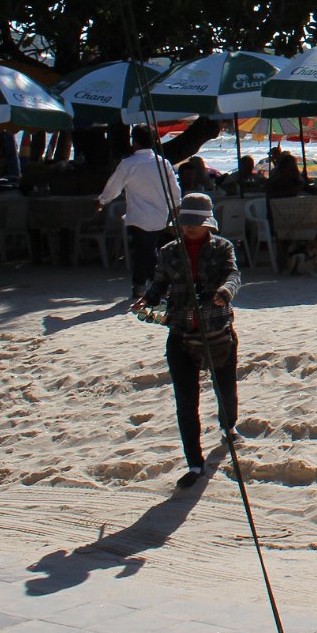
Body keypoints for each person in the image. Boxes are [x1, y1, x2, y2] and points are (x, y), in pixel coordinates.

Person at [131, 193, 241, 489]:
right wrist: (147, 300)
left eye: (196, 222)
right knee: (186, 401)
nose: (190, 227)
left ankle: (228, 426)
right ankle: (194, 462)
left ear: (208, 224)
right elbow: (159, 284)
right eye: (186, 222)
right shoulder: (168, 251)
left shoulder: (222, 247)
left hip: (217, 332)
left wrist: (225, 292)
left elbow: (233, 275)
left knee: (226, 390)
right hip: (181, 335)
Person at [98, 125, 183, 299]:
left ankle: (153, 285)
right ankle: (143, 285)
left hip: (138, 215)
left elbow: (114, 187)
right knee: (146, 250)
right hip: (159, 214)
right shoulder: (163, 163)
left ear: (134, 142)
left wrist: (102, 200)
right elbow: (174, 188)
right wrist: (176, 206)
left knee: (144, 251)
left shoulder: (129, 164)